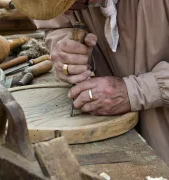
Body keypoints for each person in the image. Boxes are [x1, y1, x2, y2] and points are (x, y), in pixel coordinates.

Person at [34, 0, 169, 165]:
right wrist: (65, 49)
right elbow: (56, 26)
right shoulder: (69, 8)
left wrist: (135, 91)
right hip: (118, 141)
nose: (67, 13)